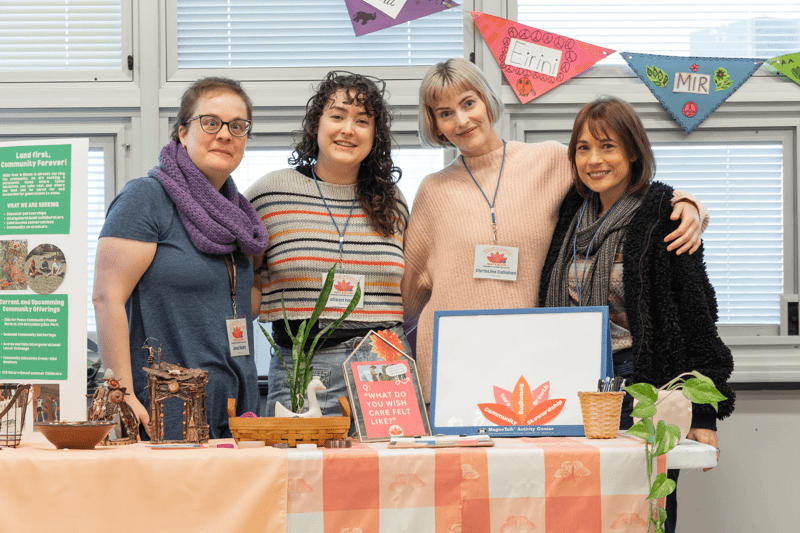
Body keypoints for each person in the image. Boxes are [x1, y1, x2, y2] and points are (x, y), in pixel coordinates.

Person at [402, 58, 709, 403]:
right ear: (435, 125)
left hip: (531, 355)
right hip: (454, 358)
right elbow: (411, 290)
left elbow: (613, 174)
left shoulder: (548, 161)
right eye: (445, 113)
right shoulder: (432, 190)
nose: (461, 120)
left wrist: (685, 203)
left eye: (468, 103)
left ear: (487, 101)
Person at [538, 96, 735, 533]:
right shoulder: (571, 212)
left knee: (643, 511)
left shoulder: (664, 216)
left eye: (607, 146)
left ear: (632, 150)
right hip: (574, 386)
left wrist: (704, 414)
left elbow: (696, 317)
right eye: (583, 148)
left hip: (643, 386)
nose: (594, 160)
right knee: (579, 510)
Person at [93, 77, 269, 440]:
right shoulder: (146, 197)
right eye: (211, 122)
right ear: (182, 133)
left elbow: (241, 307)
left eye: (238, 126)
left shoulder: (240, 219)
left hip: (236, 410)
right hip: (165, 408)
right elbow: (107, 298)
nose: (225, 134)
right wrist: (122, 394)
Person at [246, 71, 410, 420]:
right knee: (299, 472)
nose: (348, 129)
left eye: (362, 121)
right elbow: (241, 278)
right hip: (303, 364)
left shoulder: (392, 201)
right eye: (337, 116)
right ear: (316, 124)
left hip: (384, 359)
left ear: (374, 135)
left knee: (395, 469)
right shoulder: (271, 193)